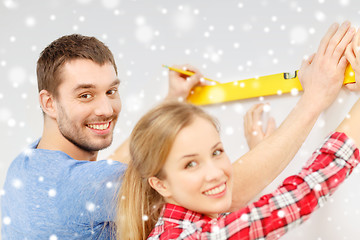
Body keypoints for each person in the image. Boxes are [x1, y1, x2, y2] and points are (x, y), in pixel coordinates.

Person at [1, 20, 355, 239]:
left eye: (111, 90)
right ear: (48, 102)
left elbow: (123, 162)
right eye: (85, 95)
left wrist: (172, 102)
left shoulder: (27, 163)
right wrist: (316, 98)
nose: (106, 108)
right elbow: (228, 192)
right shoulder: (90, 190)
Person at [116, 95, 360, 239]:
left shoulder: (182, 226)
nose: (215, 173)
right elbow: (299, 198)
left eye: (217, 152)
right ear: (161, 184)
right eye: (190, 164)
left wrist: (262, 152)